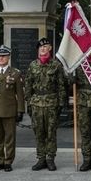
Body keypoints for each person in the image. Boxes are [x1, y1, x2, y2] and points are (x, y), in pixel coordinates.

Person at [24, 38, 67, 171]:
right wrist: (29, 103)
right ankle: (41, 158)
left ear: (50, 49)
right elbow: (28, 85)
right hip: (36, 103)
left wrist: (61, 103)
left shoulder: (56, 65)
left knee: (51, 132)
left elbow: (61, 86)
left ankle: (50, 159)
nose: (43, 49)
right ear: (38, 49)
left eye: (46, 47)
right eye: (41, 47)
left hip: (52, 103)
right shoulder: (33, 65)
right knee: (39, 132)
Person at [0, 45, 25, 172]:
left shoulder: (15, 73)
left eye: (4, 56)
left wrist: (20, 110)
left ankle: (8, 161)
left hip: (9, 111)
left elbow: (20, 94)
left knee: (9, 138)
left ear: (8, 57)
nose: (1, 58)